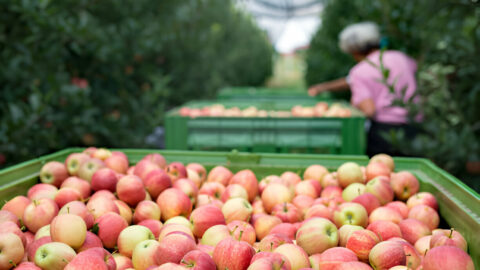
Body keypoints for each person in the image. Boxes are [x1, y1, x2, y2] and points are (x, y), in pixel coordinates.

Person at [308, 22, 418, 156]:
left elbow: (368, 110)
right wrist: (322, 87)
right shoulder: (402, 58)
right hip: (416, 127)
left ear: (354, 51)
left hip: (385, 134)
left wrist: (351, 106)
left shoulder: (360, 71)